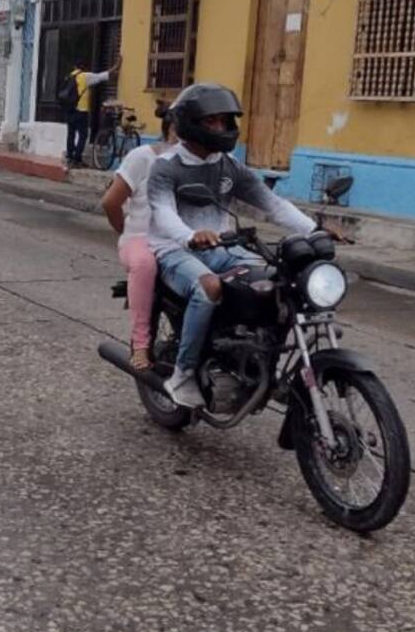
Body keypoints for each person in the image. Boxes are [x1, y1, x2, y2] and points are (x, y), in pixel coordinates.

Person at [147, 83, 318, 409]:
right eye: (212, 121)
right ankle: (182, 374)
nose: (221, 128)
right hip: (174, 249)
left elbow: (273, 204)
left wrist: (315, 229)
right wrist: (189, 235)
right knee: (209, 287)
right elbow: (164, 212)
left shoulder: (229, 166)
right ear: (191, 123)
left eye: (225, 121)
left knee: (279, 283)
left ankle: (263, 363)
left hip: (223, 247)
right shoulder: (166, 166)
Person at [100, 105, 178, 371]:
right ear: (172, 129)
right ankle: (141, 343)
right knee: (145, 264)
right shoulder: (142, 157)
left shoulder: (203, 162)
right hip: (141, 240)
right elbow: (111, 202)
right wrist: (126, 232)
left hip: (181, 242)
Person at [64, 54, 122, 167]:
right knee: (83, 135)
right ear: (84, 66)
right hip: (81, 111)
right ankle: (77, 159)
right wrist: (116, 66)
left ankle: (70, 157)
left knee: (70, 134)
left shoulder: (69, 76)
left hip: (69, 110)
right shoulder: (85, 76)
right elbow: (102, 76)